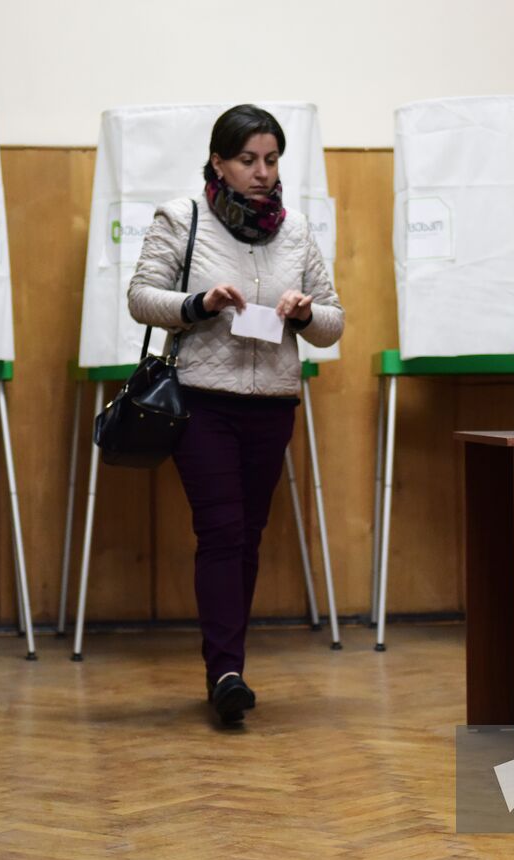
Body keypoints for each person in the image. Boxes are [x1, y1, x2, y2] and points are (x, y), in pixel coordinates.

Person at [127, 104, 344, 726]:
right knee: (221, 531)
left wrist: (304, 313)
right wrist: (199, 302)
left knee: (247, 535)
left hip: (272, 405)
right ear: (219, 162)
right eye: (247, 160)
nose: (261, 172)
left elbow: (333, 322)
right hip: (201, 401)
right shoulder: (183, 217)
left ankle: (228, 664)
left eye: (271, 160)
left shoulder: (297, 229)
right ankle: (226, 673)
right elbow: (142, 297)